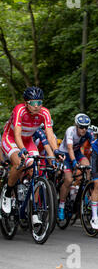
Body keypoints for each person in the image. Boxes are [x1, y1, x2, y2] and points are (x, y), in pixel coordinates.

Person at [1, 87, 63, 220]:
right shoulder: (20, 110)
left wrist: (56, 150)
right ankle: (7, 192)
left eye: (39, 103)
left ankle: (32, 206)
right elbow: (17, 134)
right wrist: (22, 149)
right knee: (19, 163)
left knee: (35, 168)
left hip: (28, 140)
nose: (37, 106)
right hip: (11, 138)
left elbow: (50, 135)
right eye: (33, 103)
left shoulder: (45, 112)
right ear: (26, 103)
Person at [57, 113, 95, 220]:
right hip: (65, 154)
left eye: (86, 127)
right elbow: (69, 148)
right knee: (68, 180)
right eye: (81, 127)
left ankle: (85, 191)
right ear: (76, 126)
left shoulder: (88, 133)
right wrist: (73, 162)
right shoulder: (70, 131)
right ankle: (61, 206)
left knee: (88, 167)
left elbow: (95, 147)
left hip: (77, 152)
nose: (84, 130)